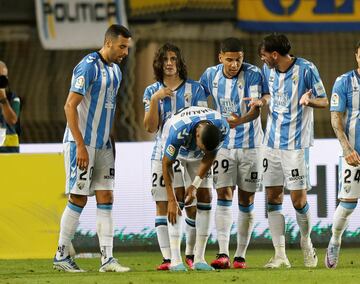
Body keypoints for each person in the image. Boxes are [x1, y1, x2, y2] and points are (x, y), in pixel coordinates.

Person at [53, 24, 132, 273]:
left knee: (106, 197)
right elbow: (69, 106)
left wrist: (110, 140)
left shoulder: (117, 71)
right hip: (82, 143)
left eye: (127, 47)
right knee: (78, 197)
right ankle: (61, 255)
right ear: (108, 43)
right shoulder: (88, 66)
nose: (125, 52)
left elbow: (107, 109)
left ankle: (107, 259)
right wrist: (80, 145)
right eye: (122, 46)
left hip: (104, 145)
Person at [256, 33, 328, 268]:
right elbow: (268, 93)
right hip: (271, 144)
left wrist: (309, 102)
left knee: (298, 200)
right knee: (272, 197)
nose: (263, 59)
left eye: (265, 55)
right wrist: (263, 101)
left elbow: (324, 100)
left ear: (275, 55)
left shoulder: (306, 69)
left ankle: (307, 243)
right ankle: (280, 255)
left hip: (296, 145)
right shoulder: (268, 71)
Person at [199, 38, 264, 269]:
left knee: (247, 199)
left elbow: (255, 112)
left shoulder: (254, 74)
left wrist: (238, 121)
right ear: (220, 58)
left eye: (238, 59)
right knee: (224, 193)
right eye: (229, 59)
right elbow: (199, 102)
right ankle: (223, 253)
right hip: (223, 146)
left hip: (251, 146)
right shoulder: (210, 75)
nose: (234, 64)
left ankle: (241, 256)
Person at [143, 43, 208, 270]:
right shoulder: (152, 91)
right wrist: (155, 101)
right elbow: (150, 127)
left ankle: (191, 254)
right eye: (165, 60)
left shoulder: (196, 89)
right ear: (159, 64)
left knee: (193, 204)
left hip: (192, 155)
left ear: (179, 63)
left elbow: (202, 124)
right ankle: (168, 258)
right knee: (164, 204)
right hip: (162, 155)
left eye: (173, 59)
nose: (169, 63)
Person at [161, 106, 229, 271]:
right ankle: (176, 260)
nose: (202, 150)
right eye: (202, 146)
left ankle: (199, 258)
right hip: (178, 152)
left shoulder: (222, 126)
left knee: (206, 196)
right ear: (197, 135)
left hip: (196, 157)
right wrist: (170, 200)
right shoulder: (178, 130)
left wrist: (194, 185)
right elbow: (166, 164)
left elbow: (210, 154)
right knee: (177, 198)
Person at [325, 41, 360, 269]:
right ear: (357, 55)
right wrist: (347, 149)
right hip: (354, 154)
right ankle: (335, 241)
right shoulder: (344, 81)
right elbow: (335, 117)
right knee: (347, 205)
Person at [0, 61, 21, 153]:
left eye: (3, 77)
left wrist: (3, 99)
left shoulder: (12, 97)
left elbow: (12, 120)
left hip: (9, 150)